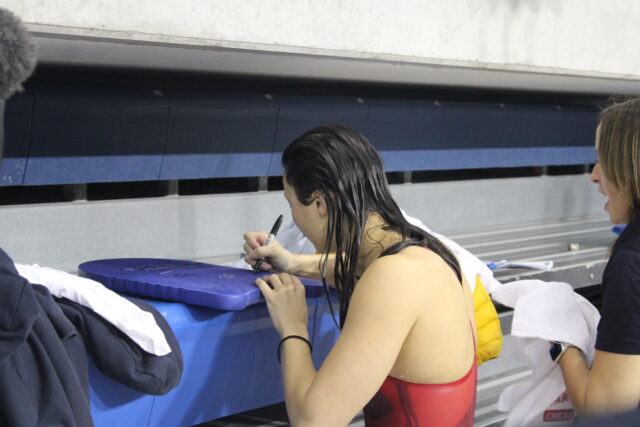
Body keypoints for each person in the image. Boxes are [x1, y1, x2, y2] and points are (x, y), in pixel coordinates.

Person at [243, 124, 477, 426]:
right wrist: (291, 262)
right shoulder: (428, 254)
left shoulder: (394, 279)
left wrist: (293, 325)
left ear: (319, 204)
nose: (295, 220)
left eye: (292, 205)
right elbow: (358, 264)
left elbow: (313, 421)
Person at [553, 97, 640, 417]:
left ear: (630, 167)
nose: (593, 175)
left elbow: (603, 410)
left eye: (602, 158)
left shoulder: (632, 262)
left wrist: (560, 345)